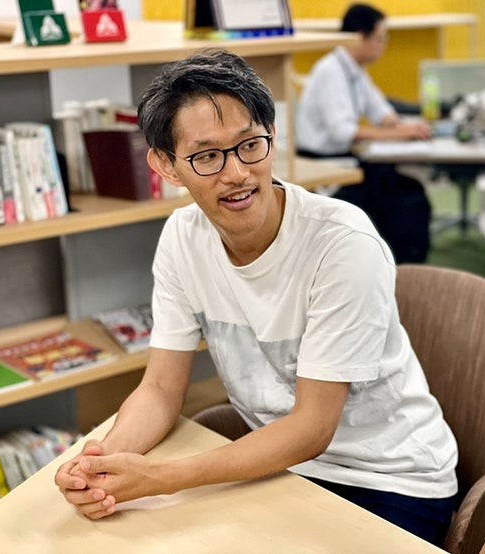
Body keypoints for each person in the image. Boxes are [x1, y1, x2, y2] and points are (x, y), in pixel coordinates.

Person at [54, 49, 458, 547]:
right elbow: (159, 389)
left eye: (250, 145)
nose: (237, 174)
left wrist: (160, 478)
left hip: (390, 480)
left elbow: (312, 428)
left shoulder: (341, 243)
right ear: (165, 166)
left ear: (272, 135)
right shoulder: (183, 237)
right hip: (283, 468)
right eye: (207, 156)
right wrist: (102, 462)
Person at [296, 3, 433, 264]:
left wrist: (404, 126)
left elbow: (380, 110)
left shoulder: (355, 70)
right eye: (380, 38)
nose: (383, 45)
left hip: (345, 158)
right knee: (398, 196)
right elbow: (342, 132)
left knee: (407, 187)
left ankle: (404, 261)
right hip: (325, 163)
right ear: (360, 36)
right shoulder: (330, 71)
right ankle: (396, 264)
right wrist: (401, 134)